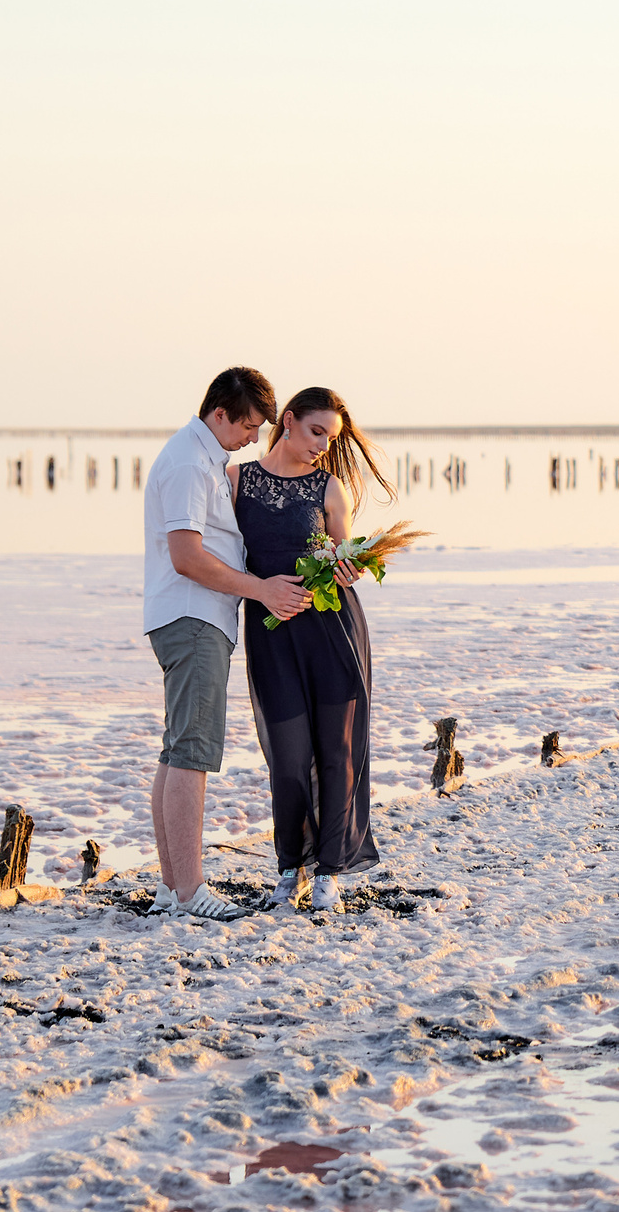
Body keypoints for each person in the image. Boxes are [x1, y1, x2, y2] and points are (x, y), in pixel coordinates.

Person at [142, 366, 309, 921]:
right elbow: (186, 557)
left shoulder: (202, 457)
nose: (255, 439)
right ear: (220, 414)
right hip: (192, 618)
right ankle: (191, 890)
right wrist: (261, 589)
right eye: (249, 426)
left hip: (191, 617)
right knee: (192, 753)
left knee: (176, 749)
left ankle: (172, 889)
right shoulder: (190, 463)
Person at [235, 385, 392, 908]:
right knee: (288, 758)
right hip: (272, 634)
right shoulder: (236, 481)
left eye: (331, 438)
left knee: (337, 753)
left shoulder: (329, 487)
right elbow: (222, 560)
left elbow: (342, 554)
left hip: (332, 631)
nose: (323, 445)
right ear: (288, 421)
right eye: (316, 431)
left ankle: (329, 872)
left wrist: (350, 568)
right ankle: (290, 867)